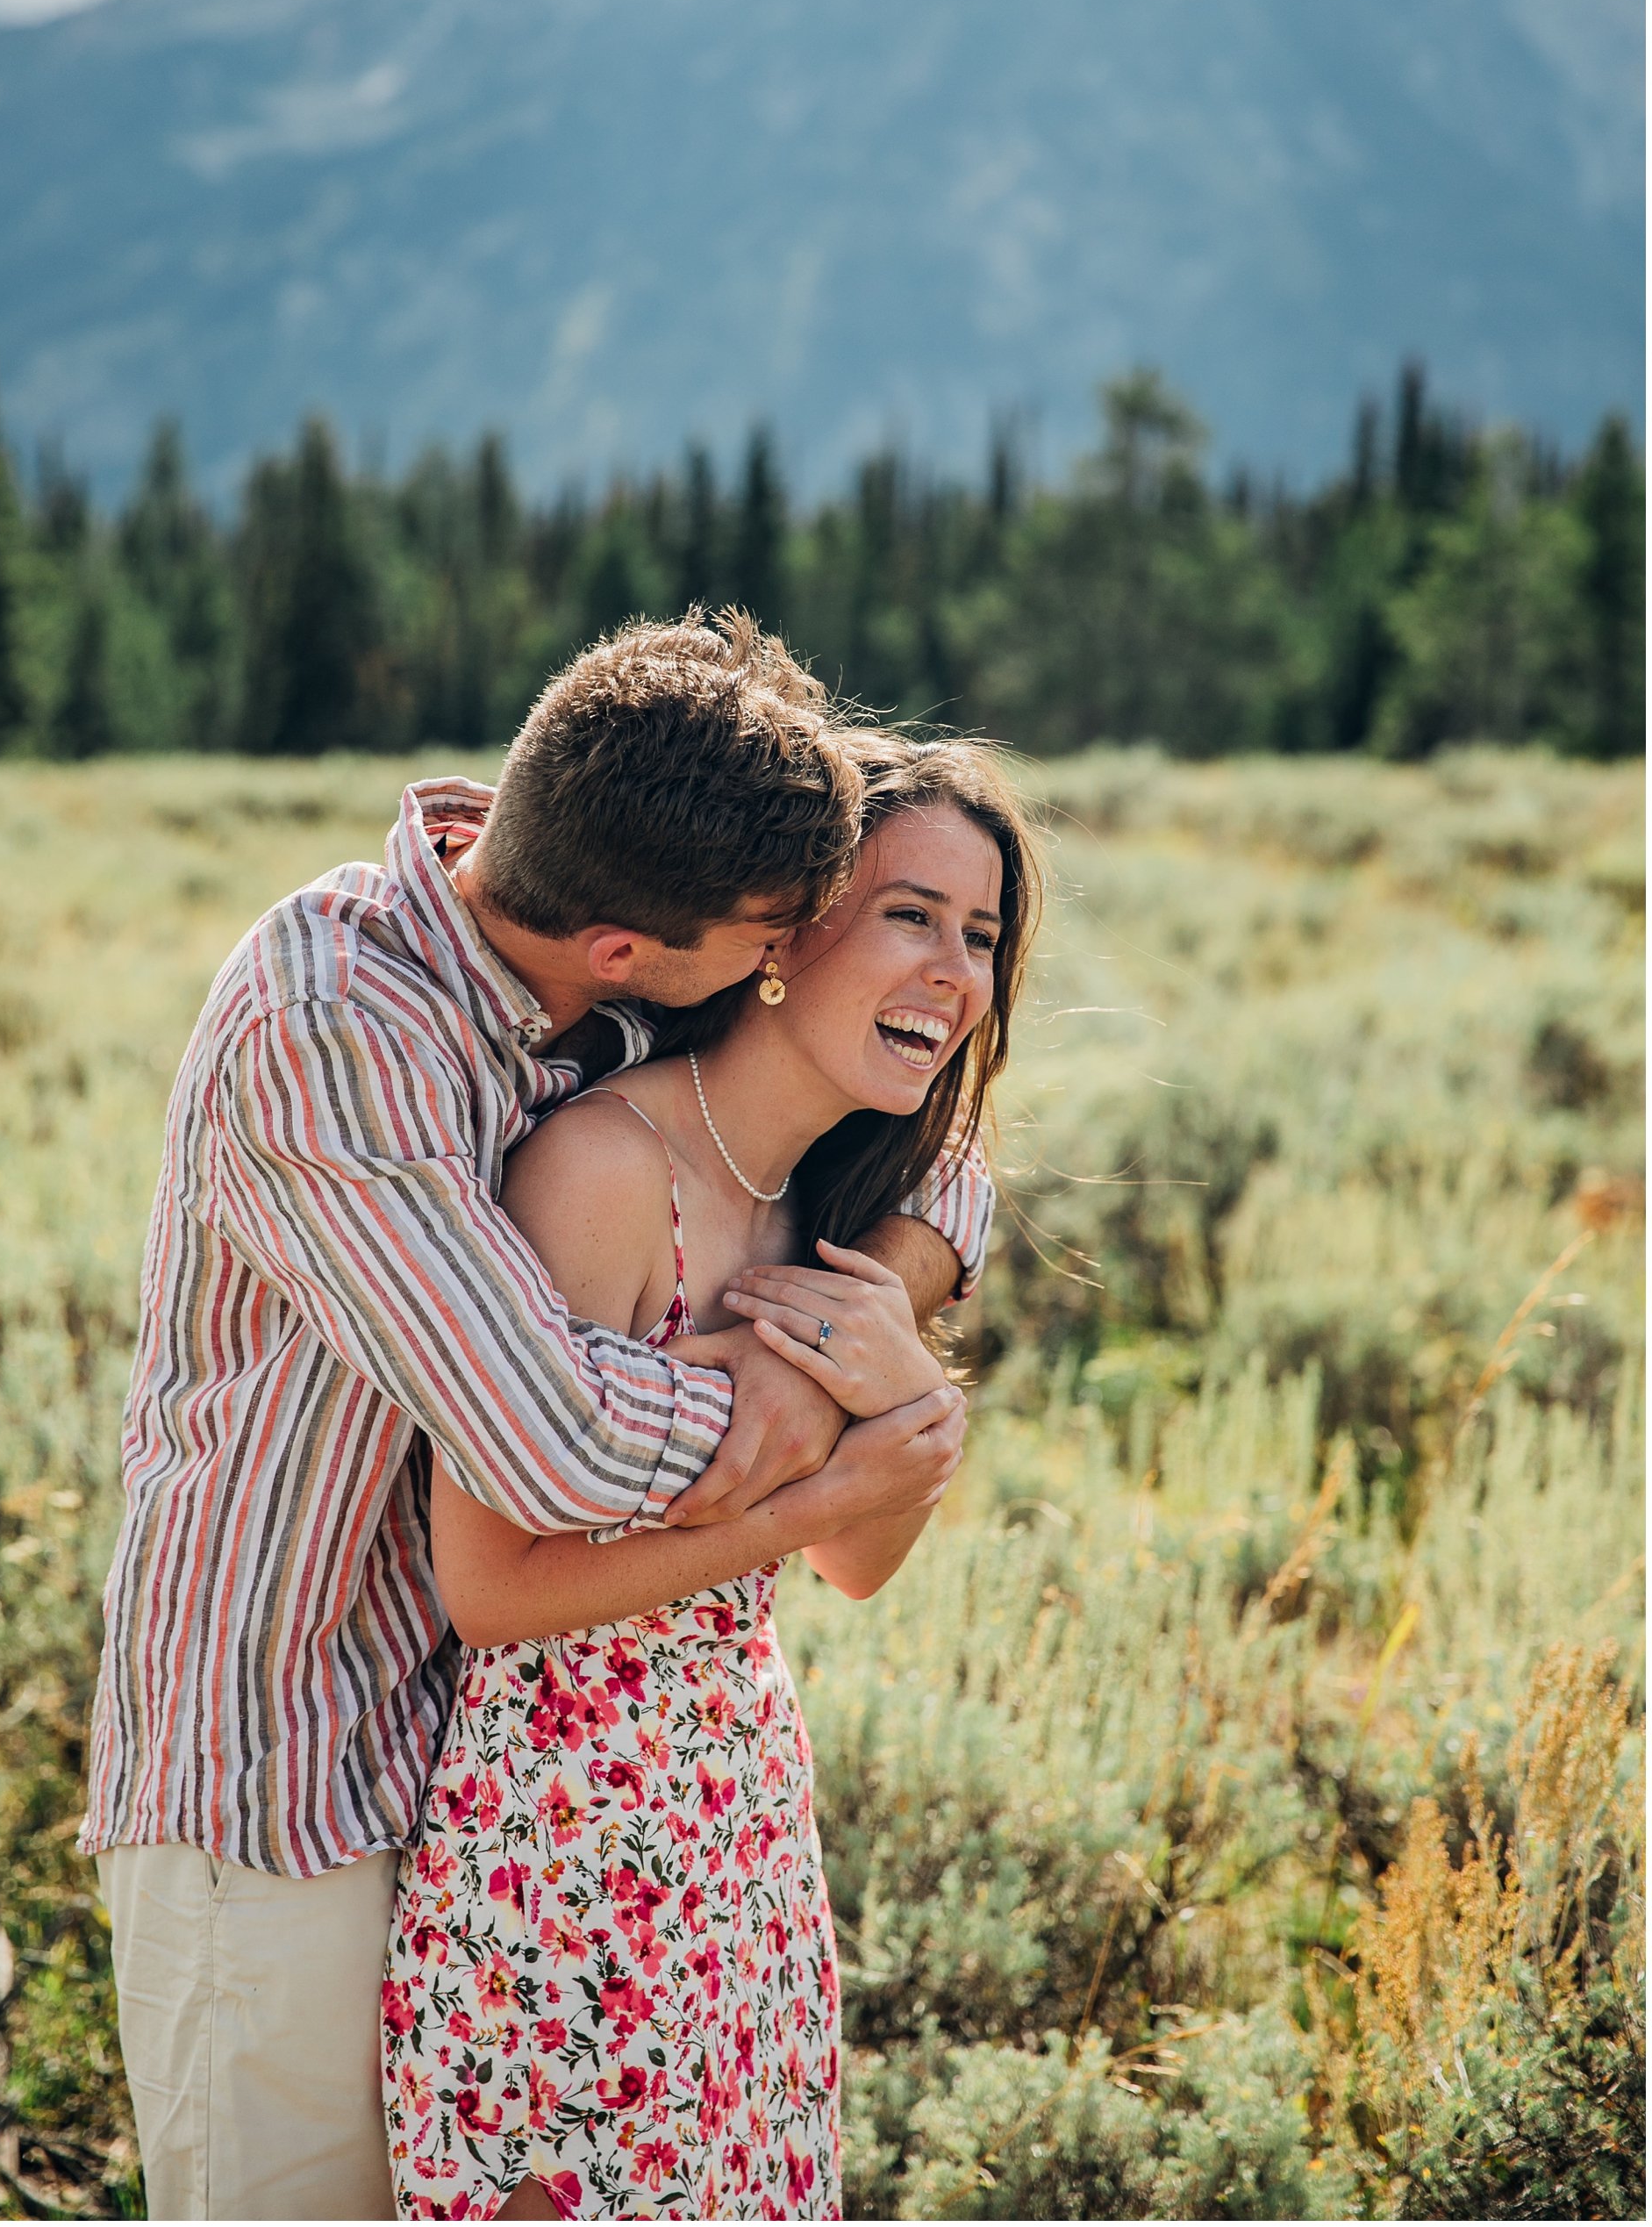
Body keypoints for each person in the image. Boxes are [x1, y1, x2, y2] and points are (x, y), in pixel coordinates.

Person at [80, 617, 994, 2223]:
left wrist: (889, 1286)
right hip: (277, 1758)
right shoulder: (339, 1030)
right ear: (646, 953)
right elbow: (551, 1447)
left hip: (482, 1770)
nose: (792, 957)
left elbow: (918, 1127)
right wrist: (807, 1401)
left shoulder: (592, 950)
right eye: (799, 927)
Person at [383, 736, 1040, 2222]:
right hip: (561, 1867)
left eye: (982, 934)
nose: (953, 969)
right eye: (910, 915)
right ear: (784, 934)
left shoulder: (835, 1207)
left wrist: (898, 1406)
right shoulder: (603, 1170)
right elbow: (488, 1591)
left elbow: (861, 1569)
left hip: (740, 1841)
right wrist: (804, 1501)